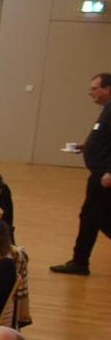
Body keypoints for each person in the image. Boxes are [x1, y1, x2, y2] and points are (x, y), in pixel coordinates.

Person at [50, 72, 111, 274]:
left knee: (97, 218)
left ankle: (80, 262)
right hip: (99, 175)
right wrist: (87, 147)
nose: (90, 92)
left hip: (104, 177)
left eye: (94, 88)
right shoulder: (106, 109)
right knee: (92, 217)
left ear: (107, 89)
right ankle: (80, 261)